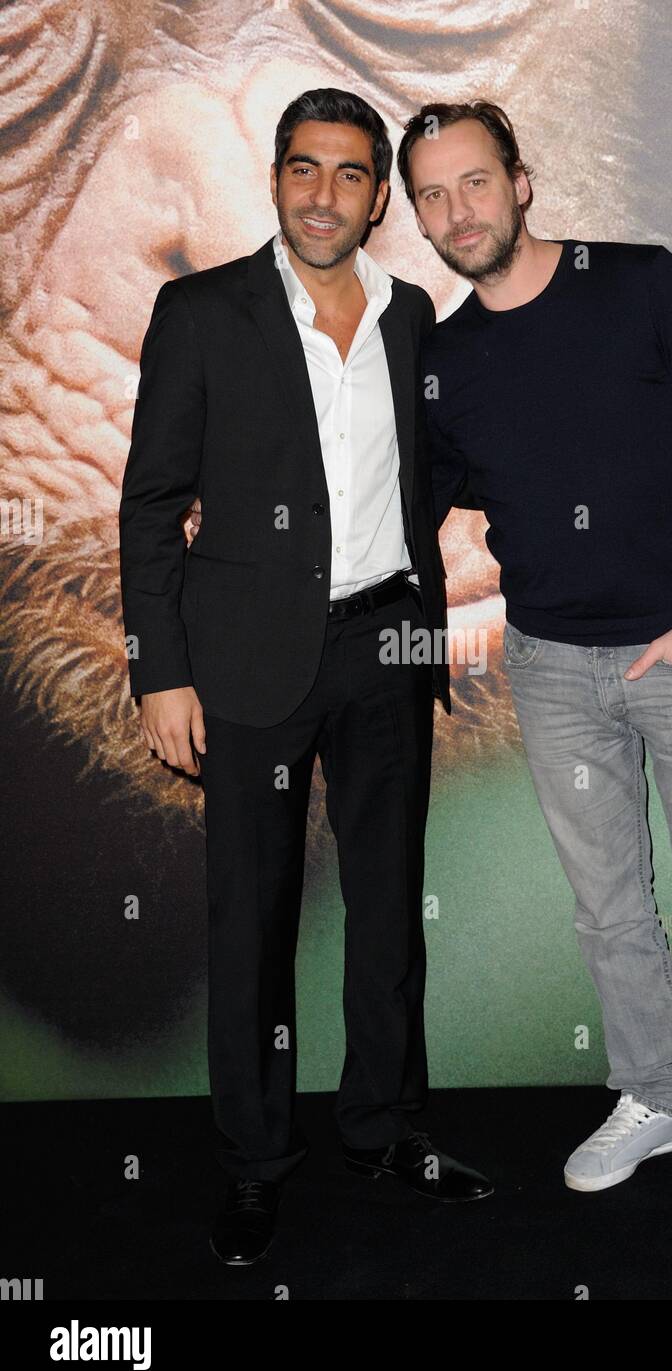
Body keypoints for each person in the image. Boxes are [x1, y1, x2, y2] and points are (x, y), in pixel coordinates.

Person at [395, 99, 672, 1257]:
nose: (456, 210)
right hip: (549, 664)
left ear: (521, 182)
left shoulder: (638, 283)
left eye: (474, 182)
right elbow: (414, 506)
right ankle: (656, 1098)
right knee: (610, 910)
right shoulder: (444, 355)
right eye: (431, 194)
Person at [118, 87, 493, 1269]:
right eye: (301, 169)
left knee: (387, 913)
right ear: (274, 180)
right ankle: (252, 1165)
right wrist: (158, 671)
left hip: (385, 645)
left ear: (379, 196)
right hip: (244, 657)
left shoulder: (413, 313)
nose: (322, 195)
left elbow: (433, 469)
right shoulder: (201, 311)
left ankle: (384, 1130)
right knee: (254, 924)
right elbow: (148, 508)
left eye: (347, 175)